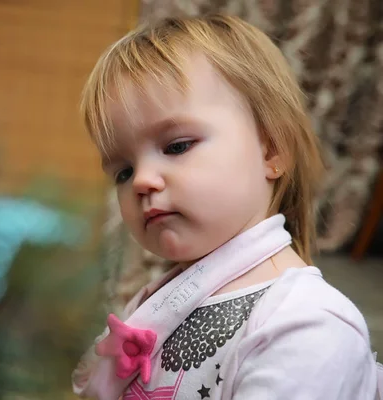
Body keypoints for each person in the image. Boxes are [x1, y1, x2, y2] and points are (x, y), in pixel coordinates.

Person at [72, 14, 382, 400]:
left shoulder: (304, 327)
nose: (141, 181)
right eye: (123, 171)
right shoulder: (159, 299)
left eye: (177, 146)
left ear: (271, 150)